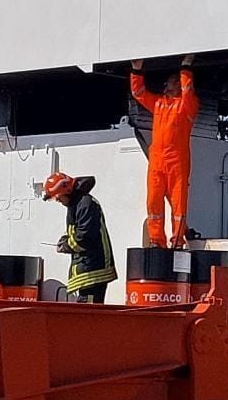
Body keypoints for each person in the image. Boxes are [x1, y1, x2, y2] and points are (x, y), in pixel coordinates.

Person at [130, 56, 199, 248]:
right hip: (157, 161)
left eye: (179, 81)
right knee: (153, 202)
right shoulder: (158, 103)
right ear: (166, 85)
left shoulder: (187, 105)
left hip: (177, 162)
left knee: (178, 204)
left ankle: (177, 240)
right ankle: (156, 241)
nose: (178, 83)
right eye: (174, 80)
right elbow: (138, 92)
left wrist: (185, 67)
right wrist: (137, 70)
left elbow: (187, 91)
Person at [43, 172, 117, 303]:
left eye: (58, 197)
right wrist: (66, 239)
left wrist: (66, 246)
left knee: (89, 316)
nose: (58, 201)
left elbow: (84, 238)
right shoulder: (76, 204)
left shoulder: (85, 204)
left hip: (93, 271)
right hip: (88, 270)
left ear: (67, 190)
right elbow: (77, 232)